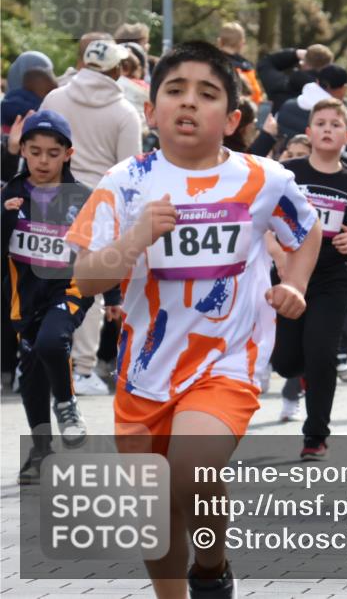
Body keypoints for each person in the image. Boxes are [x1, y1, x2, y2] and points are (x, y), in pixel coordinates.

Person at [66, 41, 321, 598]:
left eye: (206, 95)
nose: (188, 104)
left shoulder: (263, 179)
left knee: (191, 471)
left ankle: (212, 567)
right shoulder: (123, 182)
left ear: (231, 119)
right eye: (174, 91)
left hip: (227, 361)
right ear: (150, 111)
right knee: (156, 520)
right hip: (143, 373)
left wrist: (294, 284)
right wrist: (136, 237)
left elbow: (306, 231)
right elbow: (86, 277)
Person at [270, 97, 347, 458]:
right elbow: (262, 220)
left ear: (346, 136)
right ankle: (302, 375)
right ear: (309, 132)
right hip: (288, 274)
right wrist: (278, 254)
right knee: (284, 361)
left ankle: (315, 436)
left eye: (335, 124)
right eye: (321, 123)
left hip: (332, 277)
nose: (328, 128)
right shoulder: (288, 174)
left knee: (321, 353)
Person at [39, 38, 142, 395]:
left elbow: (36, 150)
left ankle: (37, 360)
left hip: (51, 195)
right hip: (98, 204)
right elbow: (130, 171)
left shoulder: (54, 98)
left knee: (45, 276)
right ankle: (81, 368)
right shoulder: (125, 112)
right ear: (116, 70)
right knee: (88, 286)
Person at [2, 111, 93, 483]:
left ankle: (67, 404)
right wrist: (5, 218)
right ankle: (41, 451)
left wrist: (115, 296)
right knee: (32, 372)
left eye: (52, 153)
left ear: (68, 154)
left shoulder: (83, 197)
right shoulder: (11, 192)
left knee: (53, 343)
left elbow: (103, 248)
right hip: (24, 296)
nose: (42, 160)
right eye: (34, 151)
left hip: (67, 288)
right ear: (22, 149)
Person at [257, 43, 333, 111]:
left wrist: (295, 53)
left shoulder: (278, 84)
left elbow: (266, 63)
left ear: (303, 62)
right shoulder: (330, 94)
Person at [217, 22, 264, 105]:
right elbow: (256, 95)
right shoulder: (246, 67)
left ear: (220, 41)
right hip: (246, 110)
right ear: (241, 43)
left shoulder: (211, 62)